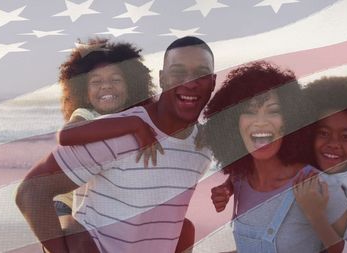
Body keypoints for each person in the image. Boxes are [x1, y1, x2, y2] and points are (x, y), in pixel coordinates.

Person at [16, 36, 216, 253]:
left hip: (89, 192)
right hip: (67, 200)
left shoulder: (203, 144)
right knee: (75, 236)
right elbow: (33, 189)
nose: (190, 82)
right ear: (162, 78)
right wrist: (134, 124)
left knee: (185, 228)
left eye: (201, 74)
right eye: (178, 72)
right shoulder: (109, 127)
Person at [204, 61, 347, 252]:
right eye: (249, 111)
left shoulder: (319, 185)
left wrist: (316, 217)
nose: (261, 123)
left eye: (273, 111)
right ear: (233, 124)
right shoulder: (240, 181)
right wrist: (227, 187)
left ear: (289, 120)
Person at [294, 76, 347, 253]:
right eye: (324, 133)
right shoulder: (300, 166)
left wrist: (316, 216)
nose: (334, 143)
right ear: (309, 133)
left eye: (346, 136)